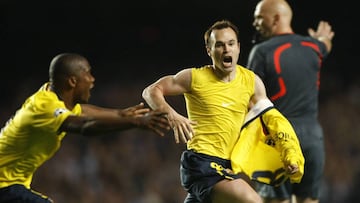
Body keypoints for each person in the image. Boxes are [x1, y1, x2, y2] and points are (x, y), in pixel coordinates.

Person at [142, 19, 304, 203]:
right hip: (202, 164)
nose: (226, 49)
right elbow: (151, 91)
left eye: (231, 43)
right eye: (219, 45)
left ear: (238, 47)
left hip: (227, 167)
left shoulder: (252, 82)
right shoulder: (194, 77)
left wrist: (290, 155)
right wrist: (172, 115)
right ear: (209, 50)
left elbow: (273, 121)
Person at [0, 53, 171, 203]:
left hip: (11, 183)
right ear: (73, 81)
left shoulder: (55, 95)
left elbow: (83, 112)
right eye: (87, 73)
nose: (92, 79)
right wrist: (135, 122)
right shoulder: (45, 107)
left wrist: (120, 114)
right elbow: (84, 126)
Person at [246, 0, 335, 203]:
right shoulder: (313, 47)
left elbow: (250, 99)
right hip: (313, 139)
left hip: (279, 138)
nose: (255, 23)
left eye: (260, 17)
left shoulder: (261, 52)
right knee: (308, 200)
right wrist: (322, 38)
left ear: (276, 18)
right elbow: (325, 46)